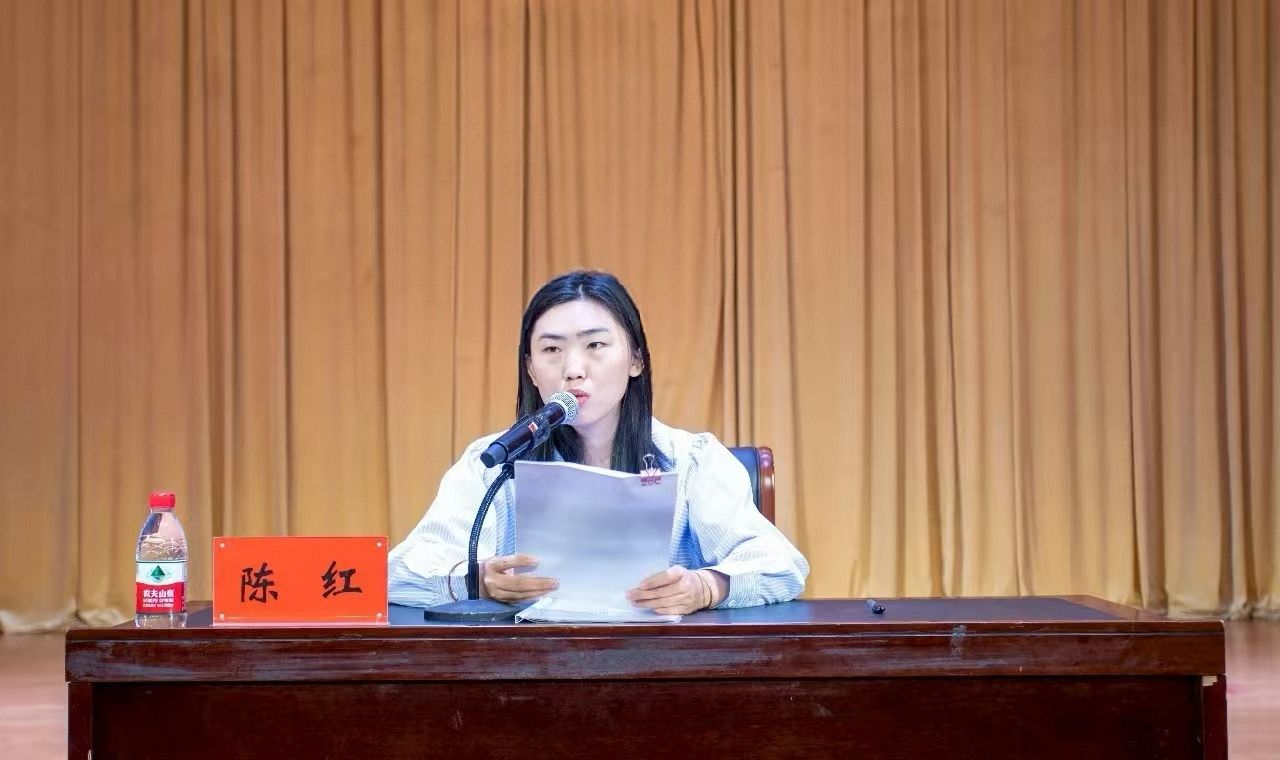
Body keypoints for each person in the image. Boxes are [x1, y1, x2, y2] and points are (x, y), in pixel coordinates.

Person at [387, 270, 808, 614]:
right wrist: (475, 579)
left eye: (595, 345)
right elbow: (398, 573)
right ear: (530, 369)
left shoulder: (693, 460)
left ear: (636, 359)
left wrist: (706, 587)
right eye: (552, 349)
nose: (573, 369)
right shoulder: (495, 463)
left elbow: (782, 565)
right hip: (528, 669)